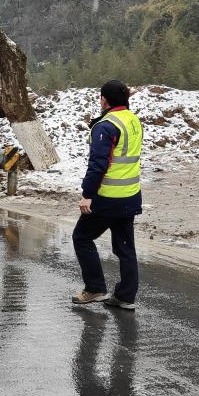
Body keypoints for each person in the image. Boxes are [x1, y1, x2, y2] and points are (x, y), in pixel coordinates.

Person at [71, 80, 142, 310]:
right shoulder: (133, 121)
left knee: (82, 237)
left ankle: (95, 288)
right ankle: (125, 297)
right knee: (125, 248)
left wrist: (87, 194)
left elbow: (98, 164)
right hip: (130, 196)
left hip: (107, 198)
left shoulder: (106, 126)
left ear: (104, 100)